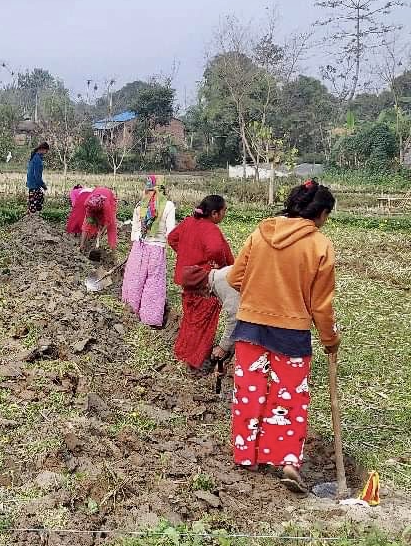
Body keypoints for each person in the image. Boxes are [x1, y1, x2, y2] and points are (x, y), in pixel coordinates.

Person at [227, 180, 339, 493]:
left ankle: (246, 456)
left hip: (250, 326)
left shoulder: (260, 233)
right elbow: (321, 304)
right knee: (289, 398)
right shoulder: (320, 245)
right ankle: (287, 461)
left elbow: (235, 277)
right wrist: (330, 339)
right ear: (321, 213)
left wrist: (258, 296)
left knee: (249, 391)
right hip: (292, 333)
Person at [167, 194, 233, 368]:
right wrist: (220, 266)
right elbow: (216, 249)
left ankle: (183, 352)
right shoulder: (210, 229)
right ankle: (194, 359)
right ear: (214, 213)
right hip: (204, 281)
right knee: (203, 321)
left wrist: (186, 253)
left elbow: (172, 238)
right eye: (224, 211)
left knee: (190, 318)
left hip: (188, 278)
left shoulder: (188, 222)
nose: (225, 214)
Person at [121, 174, 176, 327]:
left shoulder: (140, 205)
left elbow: (135, 231)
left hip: (139, 247)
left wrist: (137, 246)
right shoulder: (168, 206)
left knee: (135, 279)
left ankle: (130, 311)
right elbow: (171, 232)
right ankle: (149, 319)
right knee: (154, 283)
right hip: (157, 250)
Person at [66, 186, 118, 256]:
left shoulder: (106, 205)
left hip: (108, 198)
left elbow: (108, 221)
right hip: (95, 201)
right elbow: (86, 224)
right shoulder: (88, 203)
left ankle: (113, 250)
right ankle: (82, 246)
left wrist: (101, 232)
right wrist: (82, 245)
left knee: (111, 226)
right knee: (89, 223)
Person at [26, 142, 49, 213]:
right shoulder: (37, 159)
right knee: (34, 204)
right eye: (46, 151)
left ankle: (36, 215)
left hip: (33, 184)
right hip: (34, 184)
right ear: (42, 149)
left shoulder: (35, 157)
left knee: (40, 198)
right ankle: (32, 216)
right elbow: (37, 175)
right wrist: (43, 185)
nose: (46, 153)